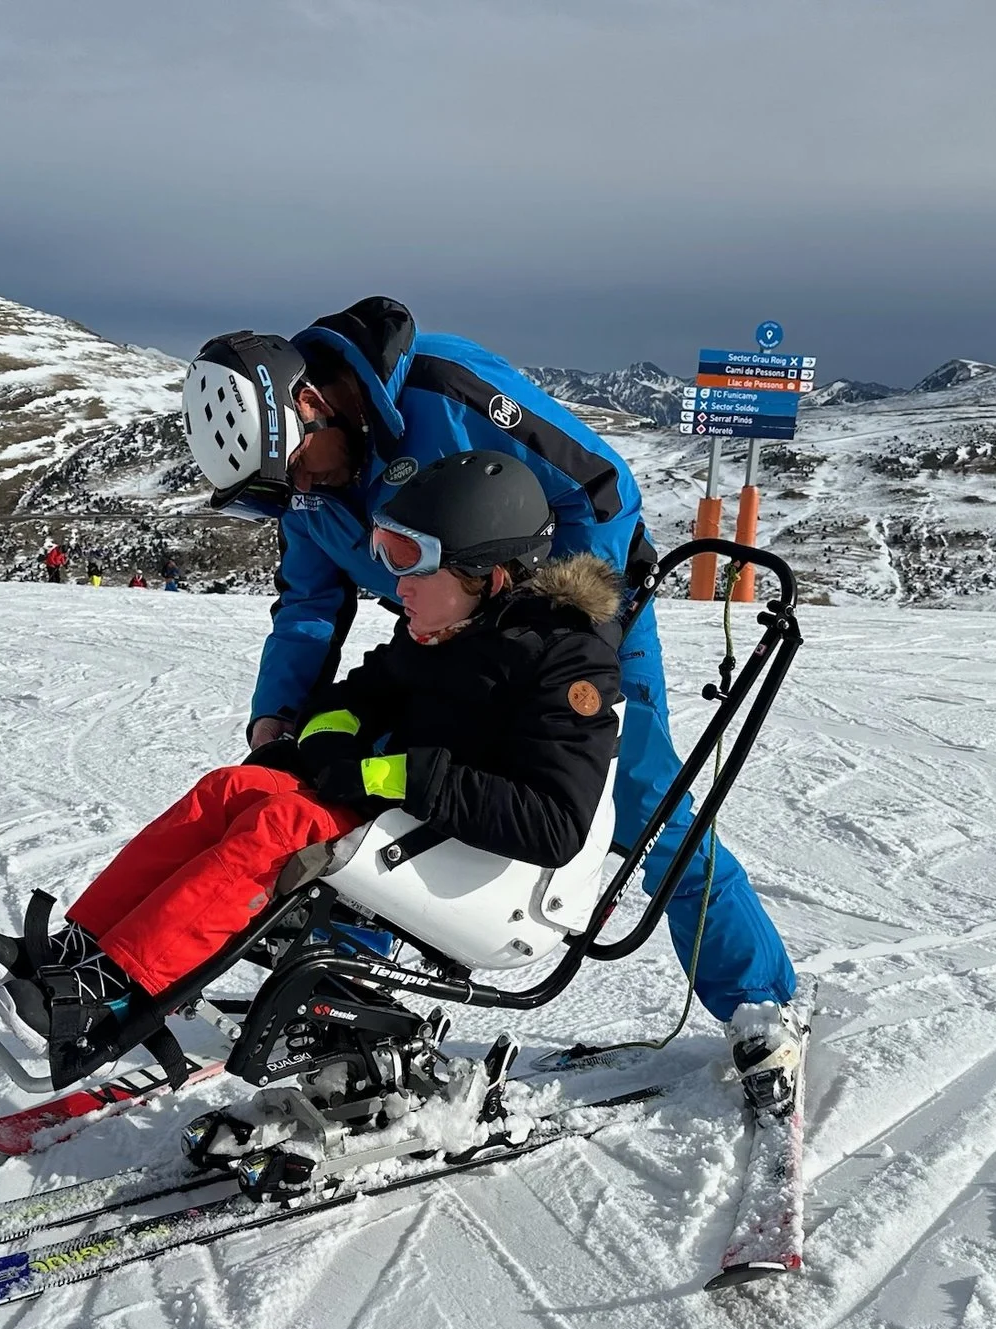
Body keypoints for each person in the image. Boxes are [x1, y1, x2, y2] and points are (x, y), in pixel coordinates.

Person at [182, 298, 803, 1111]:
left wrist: (548, 637)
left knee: (648, 806)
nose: (303, 488)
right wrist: (277, 721)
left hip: (577, 618)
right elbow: (307, 607)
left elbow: (603, 488)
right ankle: (344, 978)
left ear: (311, 403)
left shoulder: (445, 389)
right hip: (437, 632)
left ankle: (762, 1001)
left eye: (299, 468)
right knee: (366, 776)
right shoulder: (307, 486)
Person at [0, 452, 623, 1058]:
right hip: (417, 823)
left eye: (412, 559)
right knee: (229, 788)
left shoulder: (568, 663)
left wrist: (386, 773)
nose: (398, 581)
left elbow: (554, 823)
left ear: (488, 573)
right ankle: (77, 955)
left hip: (489, 874)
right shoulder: (442, 629)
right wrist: (323, 737)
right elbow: (360, 694)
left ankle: (102, 997)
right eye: (386, 551)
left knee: (283, 828)